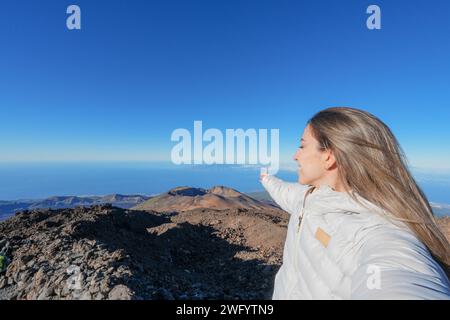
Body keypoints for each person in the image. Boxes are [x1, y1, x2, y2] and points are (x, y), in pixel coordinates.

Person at [260, 107, 450, 300]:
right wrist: (266, 179)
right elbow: (283, 191)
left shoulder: (375, 231)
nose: (295, 156)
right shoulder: (309, 197)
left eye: (302, 146)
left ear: (329, 157)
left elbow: (396, 272)